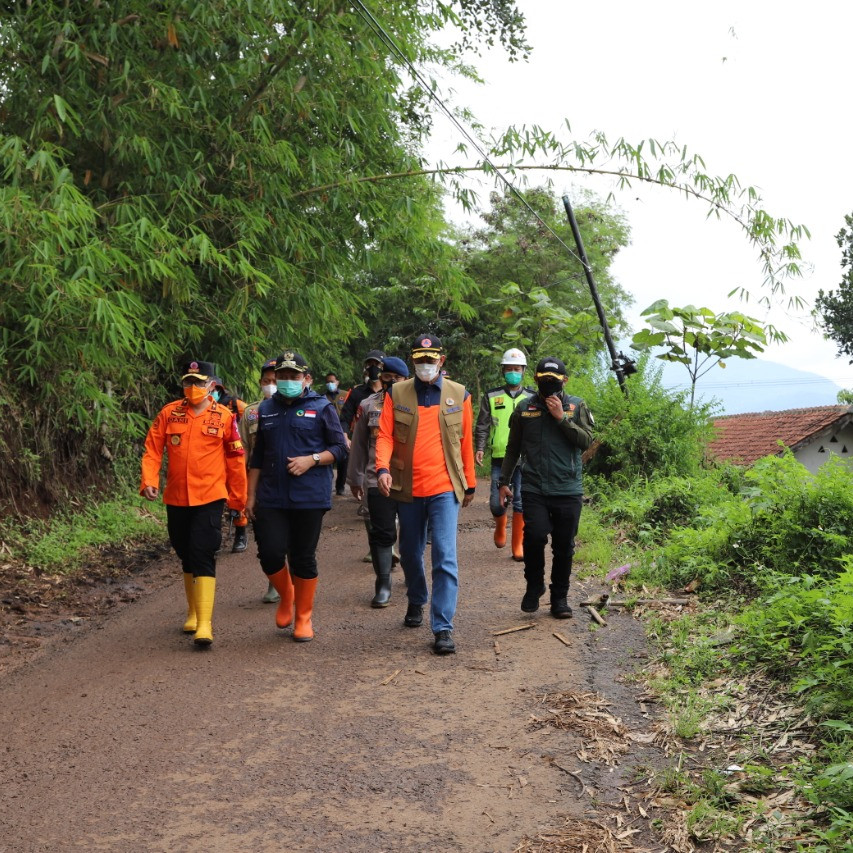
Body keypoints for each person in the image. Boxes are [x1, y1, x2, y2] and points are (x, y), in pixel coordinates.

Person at [376, 335, 476, 655]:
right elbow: (385, 435)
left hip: (444, 488)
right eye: (420, 360)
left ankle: (443, 627)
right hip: (407, 487)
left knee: (444, 556)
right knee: (409, 551)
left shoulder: (459, 394)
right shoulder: (397, 392)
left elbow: (465, 442)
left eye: (431, 360)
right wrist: (382, 468)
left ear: (441, 361)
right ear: (413, 362)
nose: (425, 366)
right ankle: (417, 598)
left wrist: (469, 483)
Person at [140, 359, 247, 646]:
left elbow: (236, 461)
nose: (193, 387)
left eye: (199, 382)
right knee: (184, 550)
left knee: (202, 551)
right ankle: (191, 611)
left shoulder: (224, 417)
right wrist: (149, 480)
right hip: (176, 496)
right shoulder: (169, 413)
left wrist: (239, 499)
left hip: (210, 495)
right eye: (188, 381)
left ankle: (204, 623)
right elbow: (152, 449)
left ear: (211, 385)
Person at [246, 351, 347, 642]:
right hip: (270, 495)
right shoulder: (265, 409)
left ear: (306, 379)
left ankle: (303, 617)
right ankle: (286, 593)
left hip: (309, 497)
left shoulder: (322, 407)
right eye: (283, 376)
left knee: (303, 557)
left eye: (294, 376)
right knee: (270, 553)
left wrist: (312, 459)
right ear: (275, 378)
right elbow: (258, 457)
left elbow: (340, 449)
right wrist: (250, 495)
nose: (288, 381)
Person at [498, 356, 594, 619]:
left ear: (565, 381)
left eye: (554, 380)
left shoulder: (576, 405)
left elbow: (586, 441)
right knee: (534, 537)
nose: (549, 385)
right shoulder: (524, 409)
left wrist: (561, 418)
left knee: (564, 546)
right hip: (534, 487)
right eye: (544, 380)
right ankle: (534, 585)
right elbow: (513, 448)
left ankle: (559, 598)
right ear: (536, 380)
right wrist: (503, 482)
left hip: (568, 488)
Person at [347, 356, 409, 608]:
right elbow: (359, 444)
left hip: (410, 480)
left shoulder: (417, 404)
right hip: (376, 479)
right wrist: (355, 478)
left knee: (411, 532)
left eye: (398, 379)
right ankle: (383, 584)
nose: (392, 382)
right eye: (387, 378)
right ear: (381, 378)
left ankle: (412, 574)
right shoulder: (368, 405)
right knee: (381, 533)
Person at [474, 348, 535, 561]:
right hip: (500, 458)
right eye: (509, 369)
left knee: (520, 501)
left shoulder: (532, 397)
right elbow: (482, 425)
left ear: (523, 371)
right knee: (495, 503)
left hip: (525, 459)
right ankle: (500, 525)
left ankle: (517, 544)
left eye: (516, 369)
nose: (512, 372)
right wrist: (480, 447)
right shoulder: (492, 396)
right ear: (503, 371)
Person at [239, 357, 281, 603]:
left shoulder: (297, 407)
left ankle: (283, 584)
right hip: (259, 482)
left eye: (276, 380)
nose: (271, 385)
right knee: (265, 538)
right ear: (260, 383)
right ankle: (274, 579)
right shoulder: (251, 413)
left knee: (287, 536)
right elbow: (243, 449)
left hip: (287, 480)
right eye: (267, 381)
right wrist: (244, 489)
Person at [211, 375, 249, 552]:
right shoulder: (201, 408)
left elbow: (251, 421)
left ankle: (241, 531)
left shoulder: (235, 405)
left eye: (214, 389)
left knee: (237, 495)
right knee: (215, 501)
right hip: (213, 461)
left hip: (234, 457)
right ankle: (214, 537)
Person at [339, 349, 385, 436]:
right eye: (369, 364)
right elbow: (345, 418)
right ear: (365, 367)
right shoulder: (357, 392)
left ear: (384, 367)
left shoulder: (390, 392)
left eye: (377, 364)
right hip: (361, 440)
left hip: (384, 440)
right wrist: (345, 436)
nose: (373, 367)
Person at [322, 371, 349, 495]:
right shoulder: (322, 397)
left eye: (332, 381)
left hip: (343, 431)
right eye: (327, 382)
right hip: (327, 432)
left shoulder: (346, 395)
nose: (330, 384)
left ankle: (340, 487)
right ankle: (326, 486)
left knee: (344, 460)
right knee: (328, 460)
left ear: (337, 382)